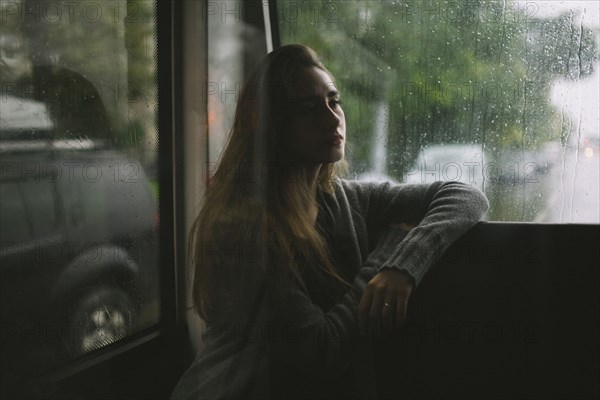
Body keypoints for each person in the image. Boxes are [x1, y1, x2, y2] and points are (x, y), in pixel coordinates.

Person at [171, 44, 488, 399]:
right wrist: (386, 251)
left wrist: (403, 268)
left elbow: (465, 195)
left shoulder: (345, 198)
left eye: (333, 101)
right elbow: (323, 350)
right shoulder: (244, 227)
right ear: (273, 128)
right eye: (308, 109)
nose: (331, 118)